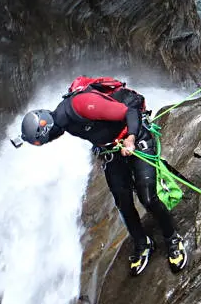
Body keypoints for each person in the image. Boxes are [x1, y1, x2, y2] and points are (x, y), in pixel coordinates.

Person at [19, 78, 187, 276]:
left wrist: (131, 139)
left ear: (47, 130)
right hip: (112, 151)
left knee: (148, 197)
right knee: (123, 203)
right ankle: (143, 244)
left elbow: (130, 112)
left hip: (135, 138)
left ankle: (172, 238)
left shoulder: (81, 105)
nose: (50, 141)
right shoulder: (63, 122)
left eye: (46, 140)